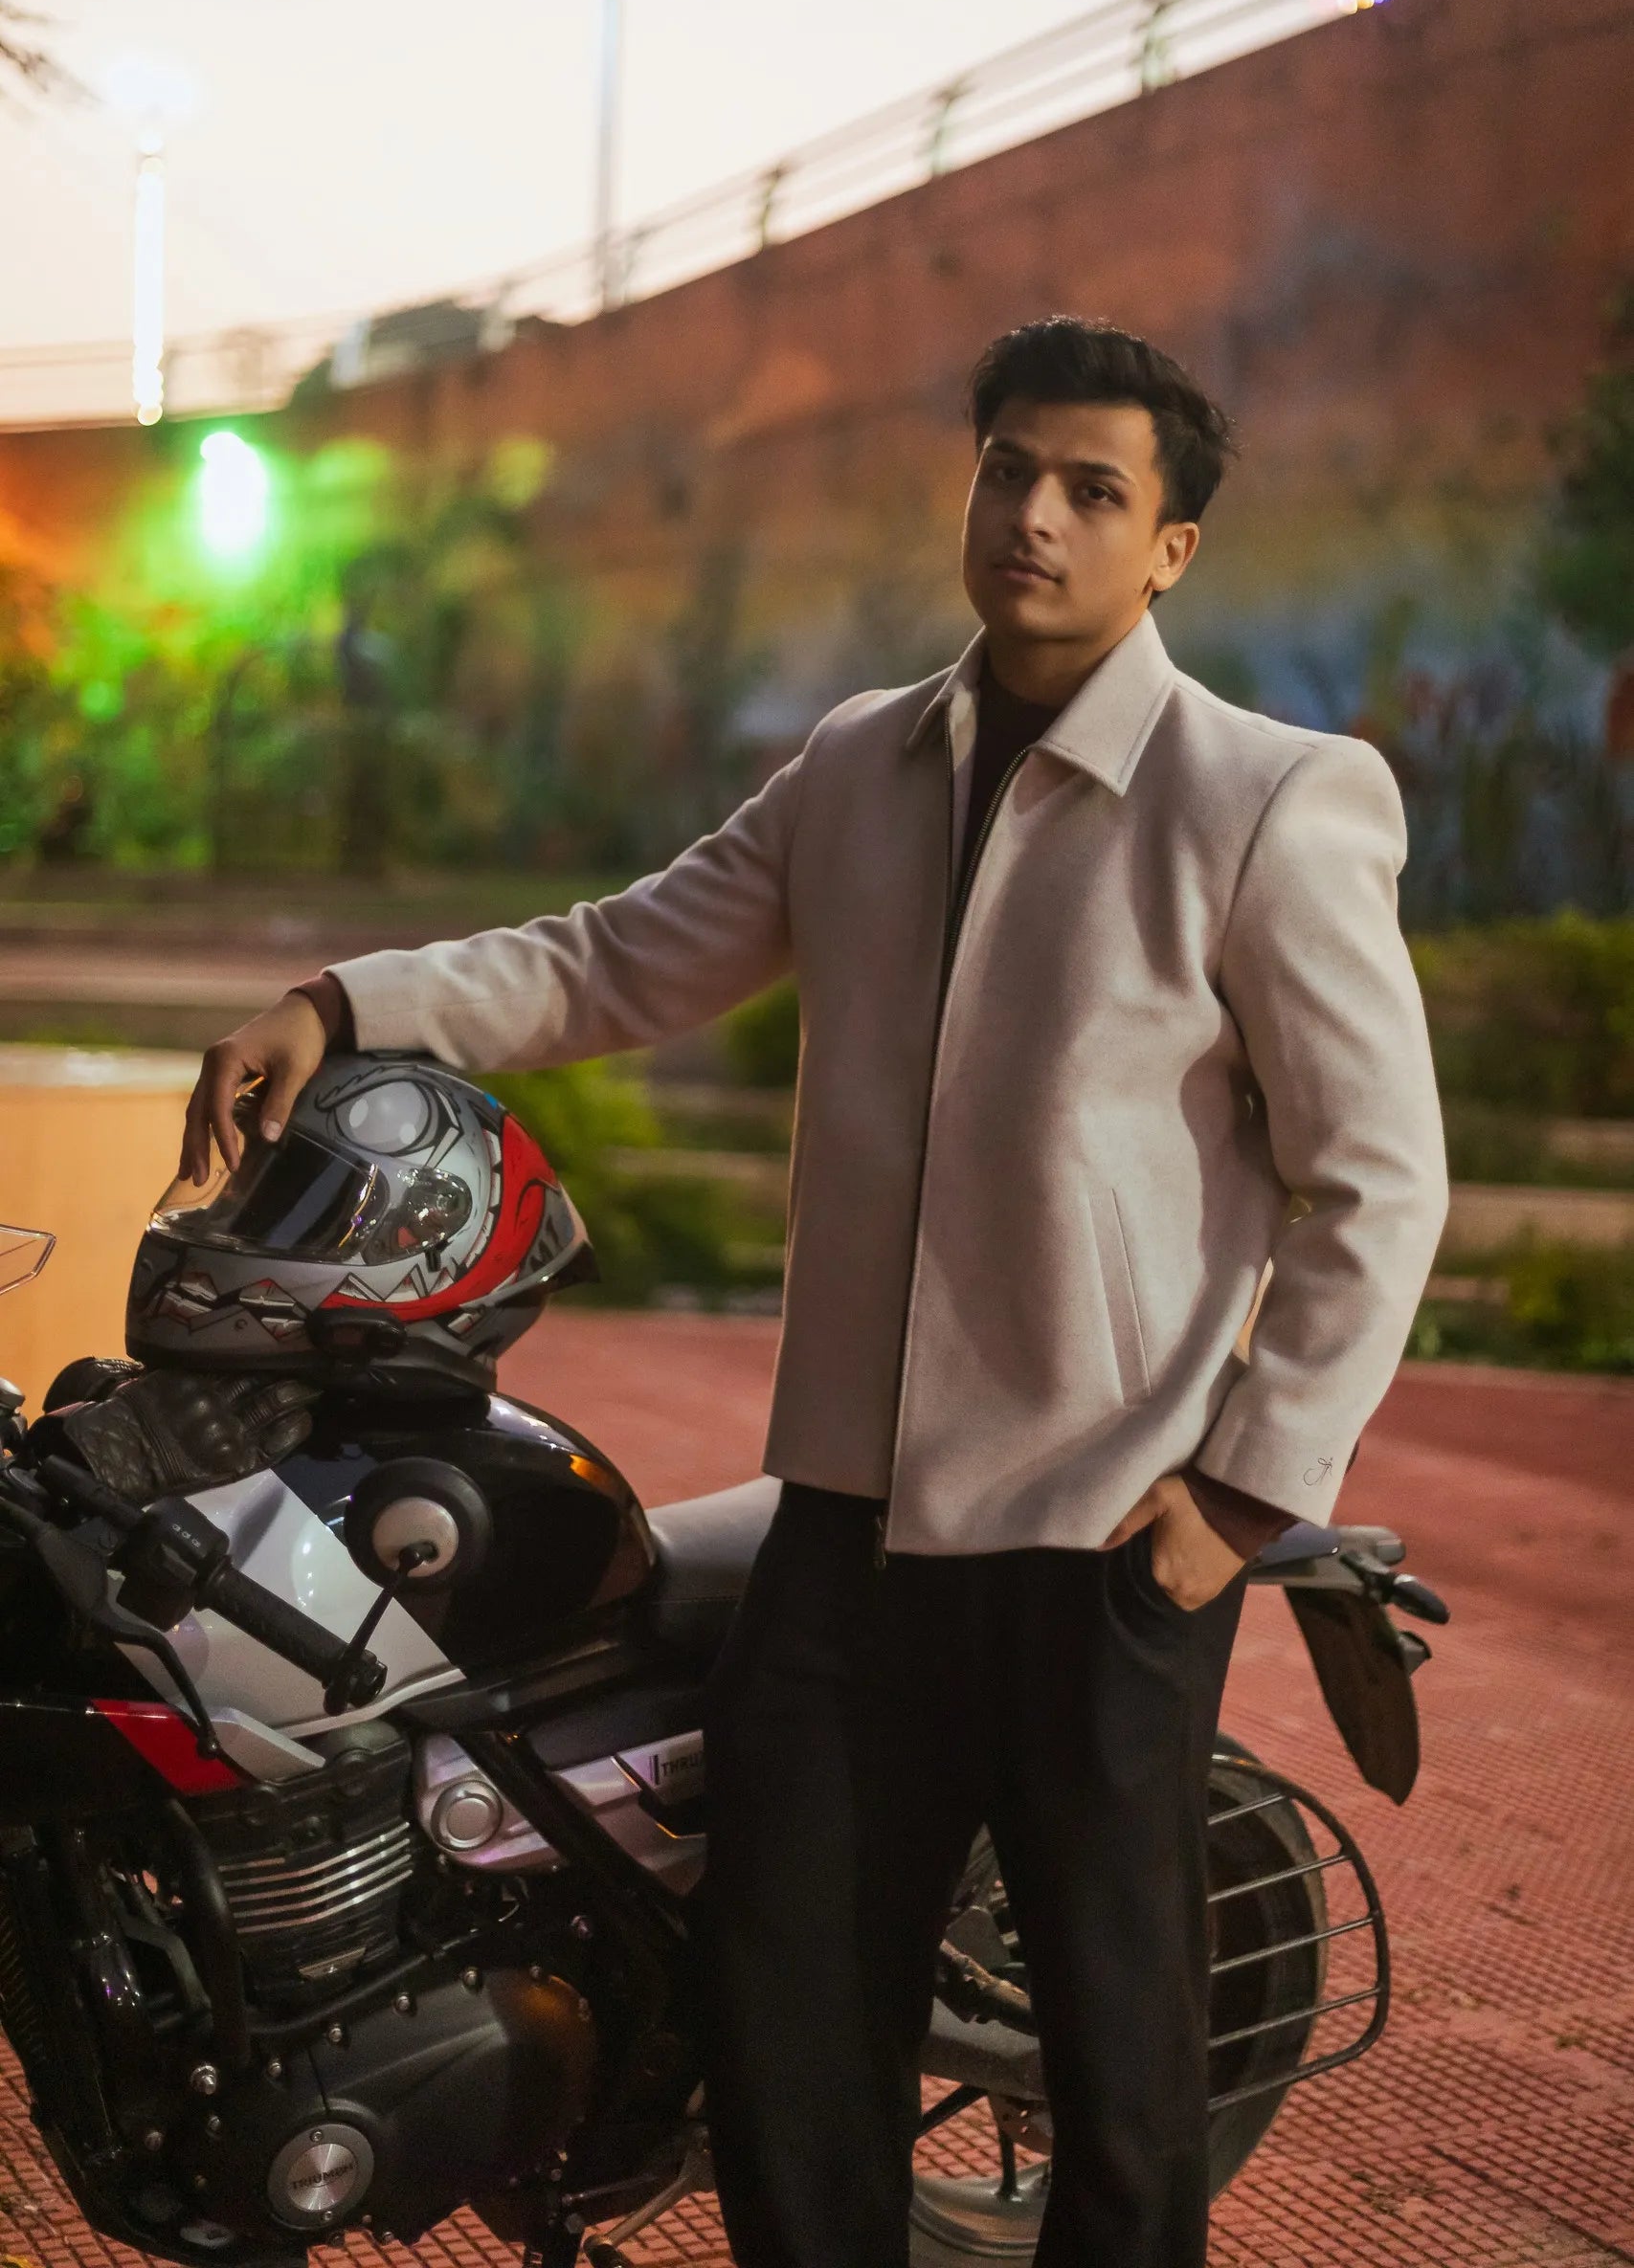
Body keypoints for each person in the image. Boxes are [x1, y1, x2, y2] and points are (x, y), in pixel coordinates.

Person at [181, 317, 1447, 2268]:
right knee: (787, 2049)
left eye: (1091, 489)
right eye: (1007, 469)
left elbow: (1379, 1174)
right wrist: (345, 1002)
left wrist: (1238, 1493)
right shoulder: (864, 758)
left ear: (1168, 548)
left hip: (1100, 1543)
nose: (1033, 516)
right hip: (843, 1535)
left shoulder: (1266, 795)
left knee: (1117, 2080)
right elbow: (614, 957)